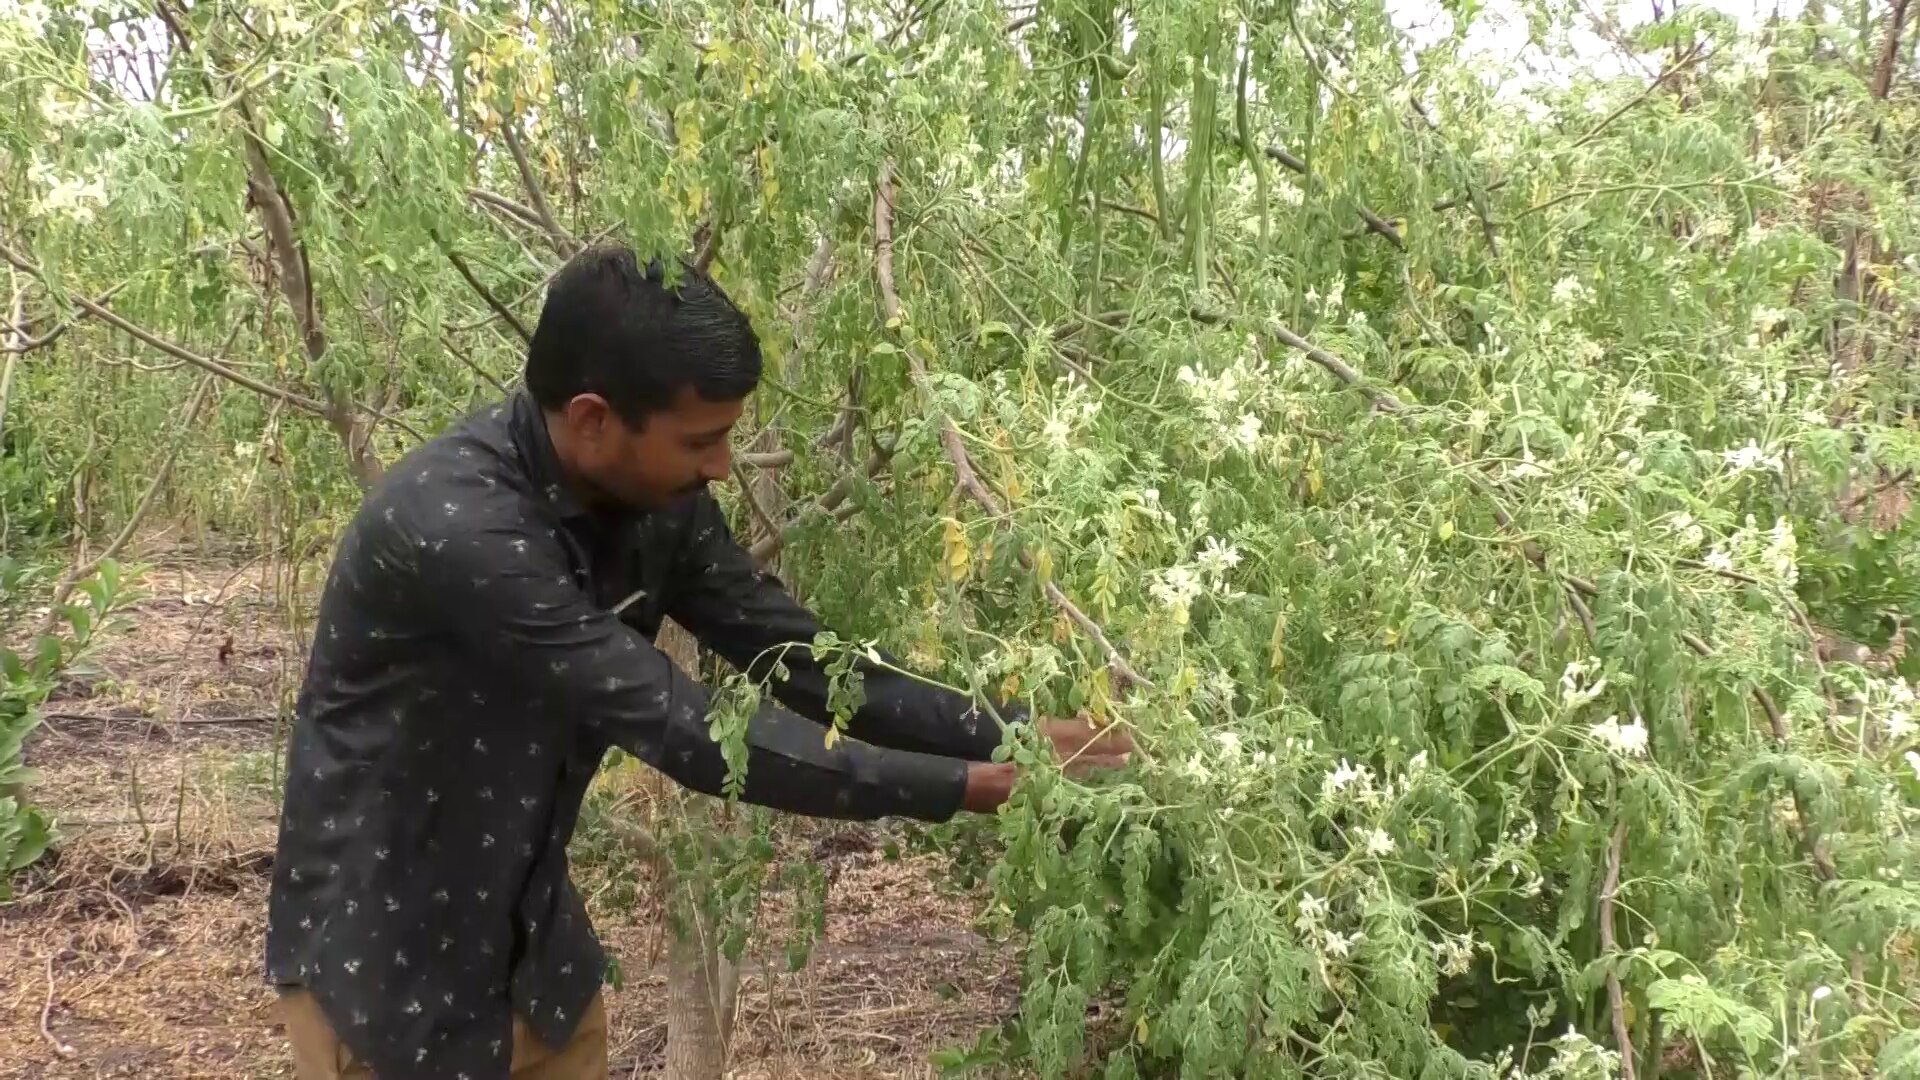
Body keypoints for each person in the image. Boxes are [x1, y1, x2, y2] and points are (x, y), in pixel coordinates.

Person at [263, 242, 1133, 1079]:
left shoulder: (655, 503)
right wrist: (966, 788)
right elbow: (688, 731)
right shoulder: (460, 527)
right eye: (699, 440)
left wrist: (1014, 736)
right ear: (594, 419)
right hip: (387, 977)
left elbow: (805, 662)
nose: (722, 465)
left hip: (536, 960)